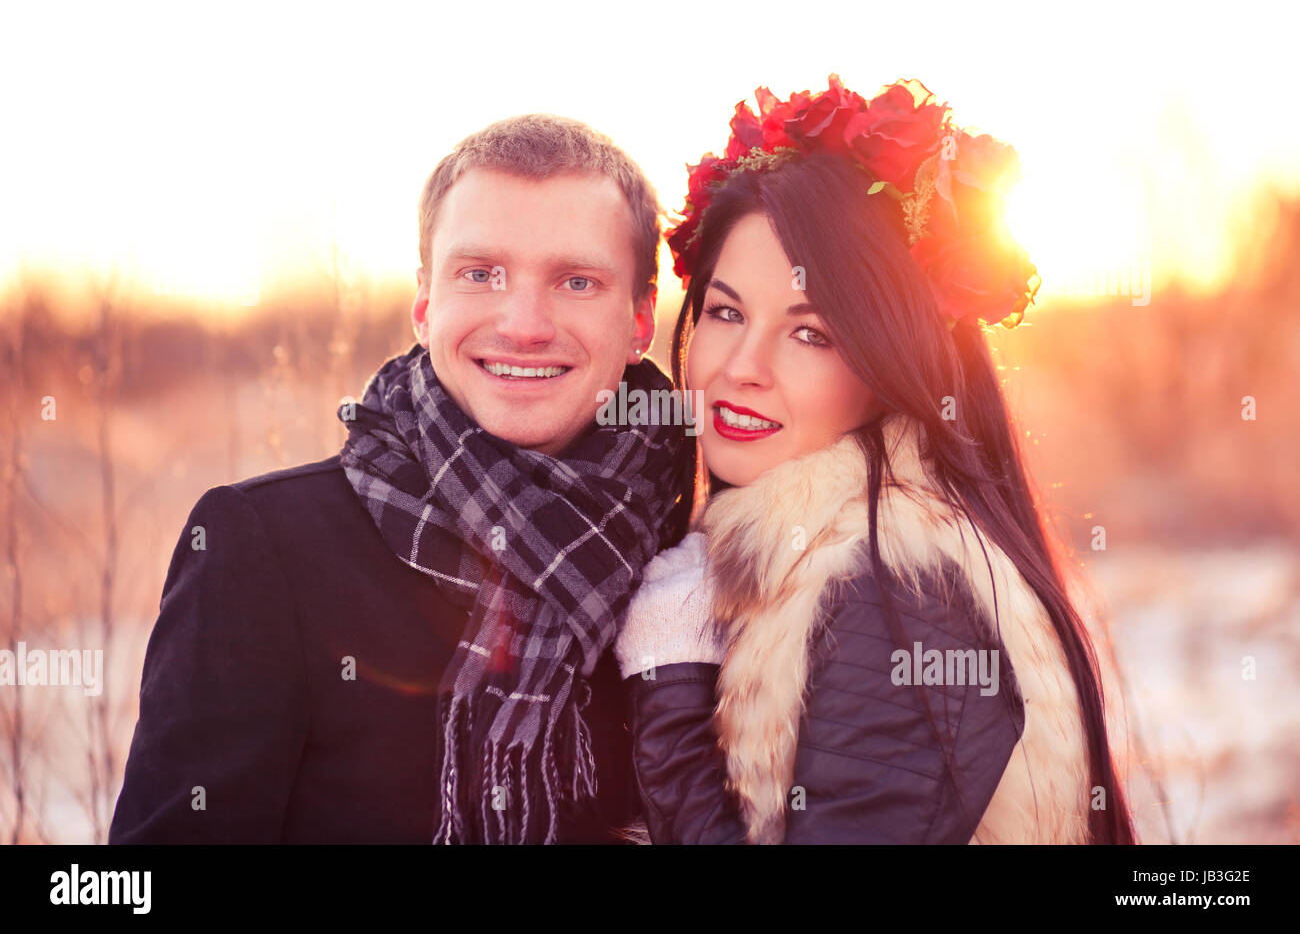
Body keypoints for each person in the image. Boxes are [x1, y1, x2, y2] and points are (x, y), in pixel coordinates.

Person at [110, 113, 691, 844]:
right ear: (425, 304)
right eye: (481, 274)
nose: (524, 323)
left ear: (640, 319)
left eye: (577, 280)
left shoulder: (687, 551)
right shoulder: (261, 546)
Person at [614, 77, 1137, 844]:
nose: (741, 366)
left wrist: (670, 685)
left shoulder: (897, 591)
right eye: (726, 313)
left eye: (811, 333)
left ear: (889, 363)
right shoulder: (818, 552)